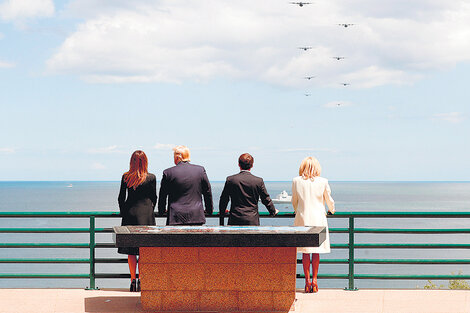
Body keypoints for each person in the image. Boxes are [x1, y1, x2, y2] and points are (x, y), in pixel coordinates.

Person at [291, 156, 335, 293]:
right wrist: (331, 210)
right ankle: (315, 281)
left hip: (303, 219)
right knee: (316, 251)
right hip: (319, 219)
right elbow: (329, 200)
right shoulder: (323, 181)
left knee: (305, 252)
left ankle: (307, 281)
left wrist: (296, 210)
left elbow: (294, 201)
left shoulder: (296, 181)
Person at [118, 150, 157, 292]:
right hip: (146, 215)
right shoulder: (151, 177)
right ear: (145, 161)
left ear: (132, 161)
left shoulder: (126, 177)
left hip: (130, 214)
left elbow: (121, 198)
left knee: (131, 250)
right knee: (144, 250)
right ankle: (141, 279)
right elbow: (154, 197)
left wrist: (124, 212)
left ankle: (133, 280)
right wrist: (150, 209)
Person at [158, 145, 213, 225]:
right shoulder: (200, 170)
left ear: (177, 158)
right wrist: (209, 210)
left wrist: (161, 211)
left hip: (175, 217)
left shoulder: (168, 173)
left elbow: (163, 196)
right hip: (196, 215)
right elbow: (207, 192)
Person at [219, 153, 278, 226]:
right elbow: (265, 199)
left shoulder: (231, 180)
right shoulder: (258, 181)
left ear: (239, 165)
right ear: (252, 165)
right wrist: (273, 211)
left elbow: (224, 199)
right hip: (252, 220)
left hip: (235, 219)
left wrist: (221, 219)